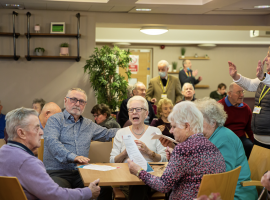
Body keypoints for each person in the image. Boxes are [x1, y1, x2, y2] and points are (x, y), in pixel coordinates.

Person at [127, 101, 226, 200]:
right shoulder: (212, 147)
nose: (171, 131)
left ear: (187, 126)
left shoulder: (183, 149)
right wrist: (174, 157)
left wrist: (139, 171)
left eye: (174, 126)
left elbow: (163, 186)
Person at [0, 107, 100, 200]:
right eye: (37, 128)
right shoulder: (28, 162)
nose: (41, 132)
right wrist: (88, 192)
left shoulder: (3, 152)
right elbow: (56, 195)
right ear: (21, 133)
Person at [43, 88, 118, 199]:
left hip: (81, 173)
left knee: (104, 188)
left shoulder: (88, 124)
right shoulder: (55, 120)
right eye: (73, 99)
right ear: (65, 101)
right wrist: (73, 157)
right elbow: (52, 142)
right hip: (57, 172)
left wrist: (131, 129)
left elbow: (107, 133)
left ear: (85, 105)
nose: (77, 104)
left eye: (81, 101)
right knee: (61, 192)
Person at [195, 98, 258, 200]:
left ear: (213, 122)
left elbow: (222, 175)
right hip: (222, 190)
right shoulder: (211, 136)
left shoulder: (224, 138)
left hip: (237, 193)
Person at [110, 96, 167, 200]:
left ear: (146, 113)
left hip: (151, 178)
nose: (134, 112)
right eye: (131, 110)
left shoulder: (156, 132)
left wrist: (148, 152)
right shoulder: (121, 133)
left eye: (138, 109)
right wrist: (124, 153)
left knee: (140, 184)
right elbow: (112, 161)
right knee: (137, 186)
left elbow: (164, 159)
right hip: (127, 179)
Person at [228, 54, 270, 149]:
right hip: (259, 137)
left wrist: (263, 77)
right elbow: (250, 84)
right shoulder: (266, 78)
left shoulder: (266, 78)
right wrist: (236, 76)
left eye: (269, 56)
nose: (266, 59)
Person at [218, 82, 254, 159]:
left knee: (250, 146)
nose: (242, 95)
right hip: (224, 138)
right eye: (238, 92)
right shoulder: (219, 106)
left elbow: (250, 129)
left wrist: (255, 145)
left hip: (241, 138)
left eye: (243, 92)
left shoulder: (246, 108)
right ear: (229, 94)